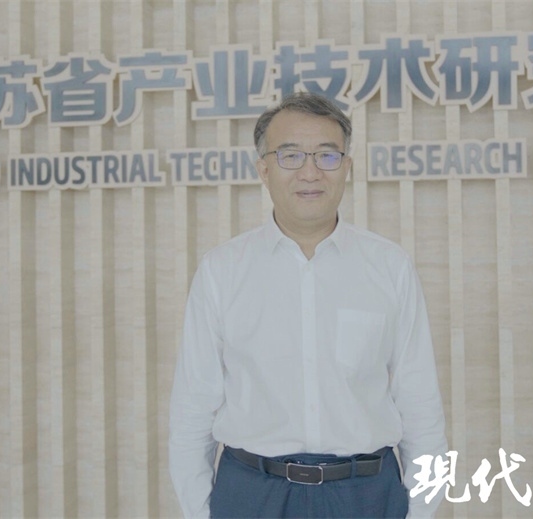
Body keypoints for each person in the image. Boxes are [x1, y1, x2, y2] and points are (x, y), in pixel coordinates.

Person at [169, 92, 448, 518]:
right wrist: (201, 511)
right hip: (252, 493)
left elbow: (420, 404)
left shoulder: (389, 267)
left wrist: (421, 510)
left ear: (347, 167)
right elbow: (193, 408)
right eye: (291, 155)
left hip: (366, 494)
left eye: (327, 155)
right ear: (264, 169)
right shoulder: (221, 271)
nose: (310, 171)